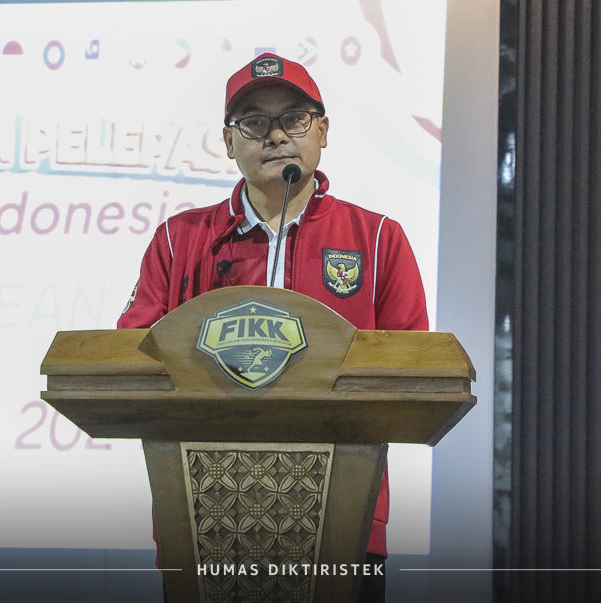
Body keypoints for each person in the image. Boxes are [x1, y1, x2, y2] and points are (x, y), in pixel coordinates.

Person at [118, 53, 428, 603]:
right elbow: (128, 362)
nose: (277, 135)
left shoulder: (380, 239)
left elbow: (413, 374)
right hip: (205, 515)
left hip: (342, 513)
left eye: (294, 118)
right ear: (228, 141)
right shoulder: (178, 239)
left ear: (323, 130)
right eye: (254, 121)